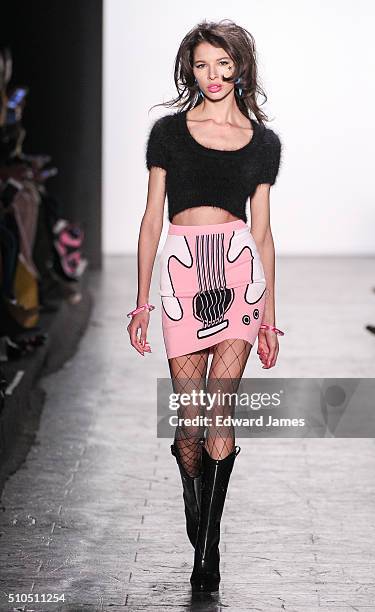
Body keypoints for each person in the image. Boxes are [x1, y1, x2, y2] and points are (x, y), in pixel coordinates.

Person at [127, 19, 284, 593]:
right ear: (188, 70)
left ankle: (208, 550)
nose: (213, 76)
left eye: (223, 64)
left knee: (220, 410)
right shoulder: (168, 133)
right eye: (201, 65)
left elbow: (264, 234)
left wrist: (269, 318)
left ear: (241, 66)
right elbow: (150, 219)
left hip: (240, 276)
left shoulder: (265, 143)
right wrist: (139, 303)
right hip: (180, 276)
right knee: (190, 422)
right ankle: (195, 504)